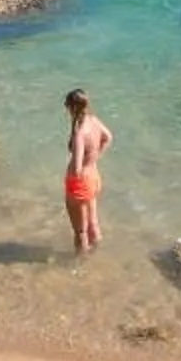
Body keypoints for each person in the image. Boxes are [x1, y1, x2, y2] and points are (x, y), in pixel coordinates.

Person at [62, 89, 111, 254]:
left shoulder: (80, 134)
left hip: (80, 183)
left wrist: (71, 176)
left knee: (80, 231)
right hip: (93, 177)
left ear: (72, 107)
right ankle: (97, 255)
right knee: (93, 223)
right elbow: (108, 137)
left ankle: (80, 263)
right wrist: (94, 158)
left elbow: (76, 169)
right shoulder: (94, 120)